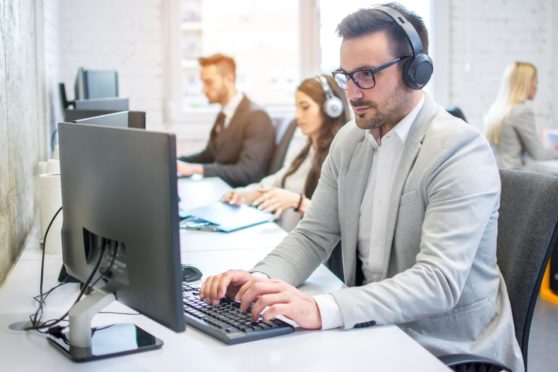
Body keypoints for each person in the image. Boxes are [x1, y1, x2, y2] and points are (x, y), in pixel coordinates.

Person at [200, 4, 523, 371]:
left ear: (416, 71)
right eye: (346, 75)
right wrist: (260, 280)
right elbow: (313, 234)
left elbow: (438, 282)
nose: (352, 93)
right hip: (373, 328)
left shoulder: (459, 150)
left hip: (447, 348)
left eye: (367, 74)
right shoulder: (350, 140)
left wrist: (321, 308)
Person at [221, 75, 350, 231]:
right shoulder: (306, 152)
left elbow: (339, 224)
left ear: (331, 109)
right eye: (296, 107)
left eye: (305, 107)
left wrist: (299, 202)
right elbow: (274, 183)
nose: (298, 115)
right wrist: (244, 195)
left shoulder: (341, 157)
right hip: (284, 238)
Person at [177, 53, 275, 187]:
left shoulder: (257, 117)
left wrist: (194, 169)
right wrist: (175, 161)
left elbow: (247, 172)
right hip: (219, 187)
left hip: (239, 195)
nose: (203, 89)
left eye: (209, 82)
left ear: (229, 79)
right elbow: (209, 155)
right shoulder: (223, 115)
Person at [484, 61, 558, 169]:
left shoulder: (496, 111)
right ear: (525, 83)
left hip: (498, 174)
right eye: (535, 82)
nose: (536, 87)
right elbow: (538, 154)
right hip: (516, 177)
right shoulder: (522, 111)